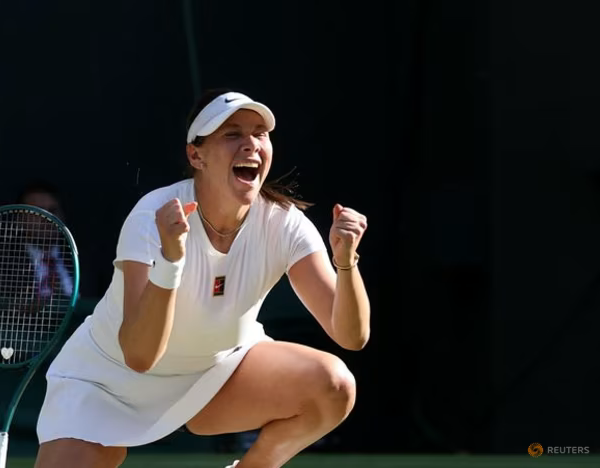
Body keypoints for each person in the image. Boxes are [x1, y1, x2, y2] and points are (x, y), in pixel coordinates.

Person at [33, 89, 371, 468]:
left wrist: (346, 262)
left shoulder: (285, 223)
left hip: (217, 376)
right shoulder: (152, 216)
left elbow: (351, 336)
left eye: (260, 133)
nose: (250, 144)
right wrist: (171, 261)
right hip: (108, 384)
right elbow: (139, 356)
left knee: (335, 385)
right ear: (196, 155)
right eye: (232, 134)